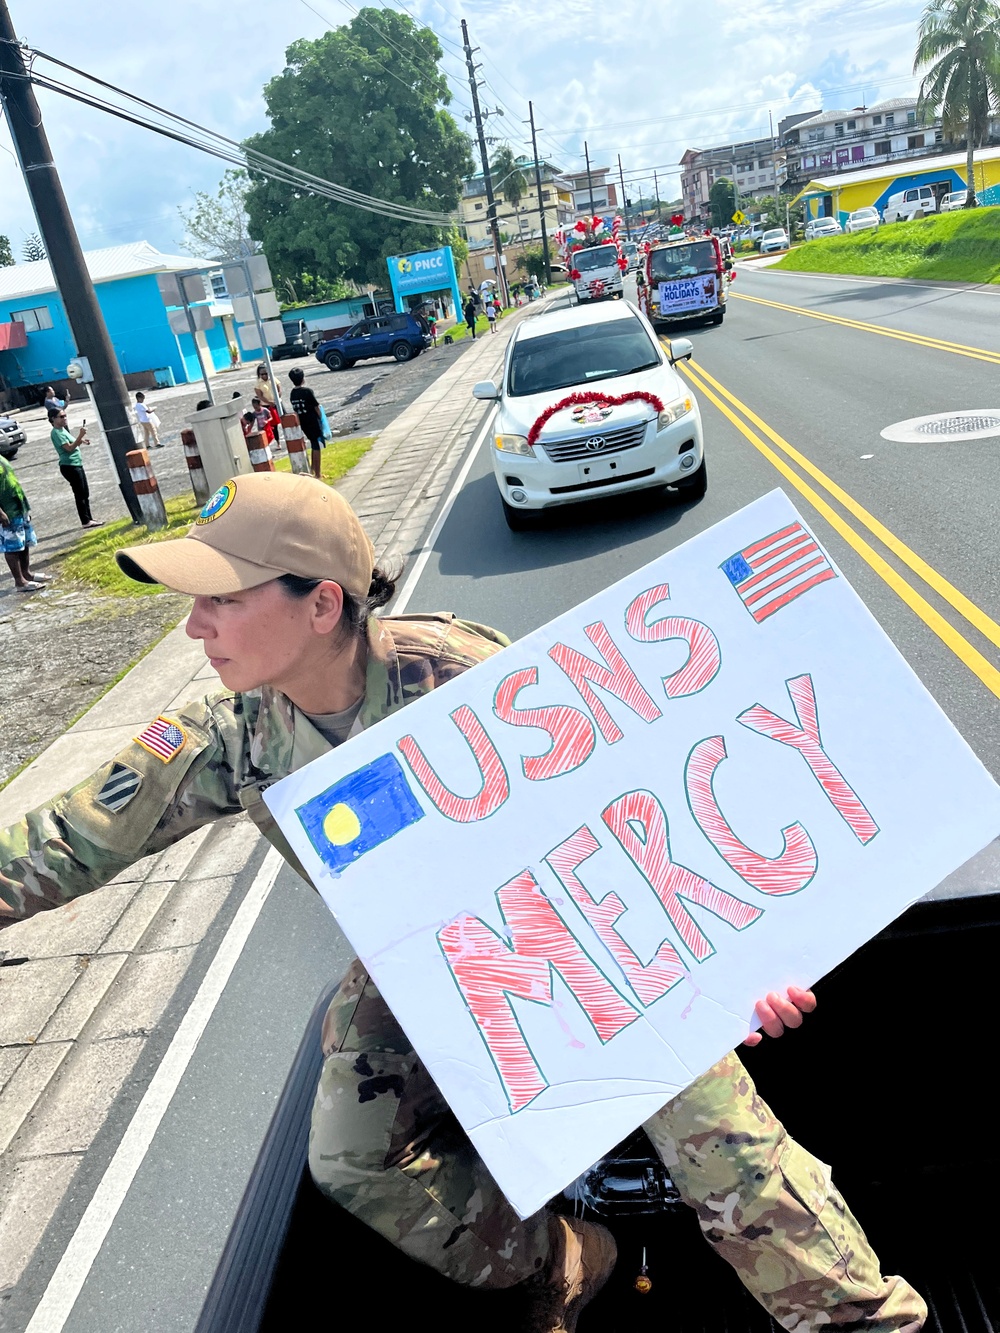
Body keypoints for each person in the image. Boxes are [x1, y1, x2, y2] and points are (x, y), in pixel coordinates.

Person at [0, 472, 926, 1333]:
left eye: (222, 599)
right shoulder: (231, 737)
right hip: (429, 961)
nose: (195, 626)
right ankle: (565, 1259)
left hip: (596, 935)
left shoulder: (467, 678)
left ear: (322, 603)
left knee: (728, 1155)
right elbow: (59, 842)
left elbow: (657, 809)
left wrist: (742, 964)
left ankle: (867, 1321)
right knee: (351, 1157)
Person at [0, 456, 52, 592]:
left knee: (24, 543)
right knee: (13, 547)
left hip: (18, 507)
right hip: (7, 511)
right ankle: (20, 582)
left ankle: (27, 574)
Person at [48, 408, 101, 529]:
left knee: (85, 492)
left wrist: (82, 440)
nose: (64, 418)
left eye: (65, 416)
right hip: (69, 466)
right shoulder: (56, 432)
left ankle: (89, 518)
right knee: (80, 494)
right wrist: (80, 435)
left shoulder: (63, 430)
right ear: (53, 419)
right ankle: (85, 521)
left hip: (76, 464)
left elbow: (72, 442)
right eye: (61, 417)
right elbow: (69, 448)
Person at [288, 365, 325, 479]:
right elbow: (316, 407)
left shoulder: (292, 393)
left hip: (303, 423)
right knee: (317, 445)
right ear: (302, 378)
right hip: (313, 421)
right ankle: (317, 474)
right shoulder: (308, 391)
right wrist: (322, 420)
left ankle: (314, 469)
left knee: (313, 444)